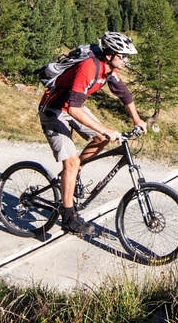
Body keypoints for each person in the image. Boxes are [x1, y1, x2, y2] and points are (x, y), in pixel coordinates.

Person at [37, 31, 147, 236]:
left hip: (71, 107)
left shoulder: (108, 69)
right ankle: (68, 218)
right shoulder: (88, 68)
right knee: (72, 161)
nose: (125, 60)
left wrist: (137, 119)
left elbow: (123, 92)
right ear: (109, 54)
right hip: (54, 111)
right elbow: (73, 110)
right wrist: (105, 127)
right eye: (122, 56)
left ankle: (73, 173)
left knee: (100, 139)